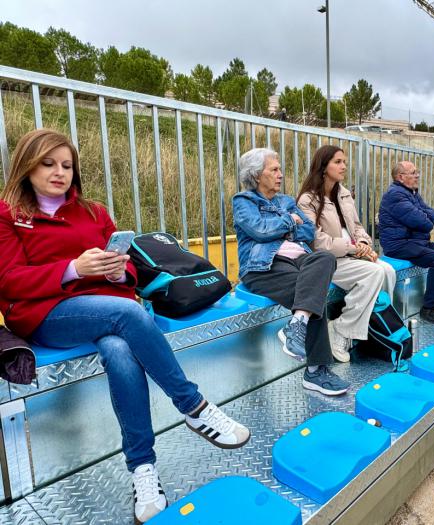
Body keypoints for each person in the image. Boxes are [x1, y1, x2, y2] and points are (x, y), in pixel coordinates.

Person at [0, 129, 251, 524]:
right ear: (26, 165)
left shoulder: (94, 212)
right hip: (47, 314)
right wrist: (72, 269)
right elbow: (9, 279)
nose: (59, 173)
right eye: (48, 163)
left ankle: (142, 470)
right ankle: (193, 405)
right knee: (129, 315)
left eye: (66, 165)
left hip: (106, 308)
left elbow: (132, 268)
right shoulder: (8, 214)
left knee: (118, 348)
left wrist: (119, 272)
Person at [232, 148, 349, 396]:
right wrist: (289, 222)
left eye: (279, 169)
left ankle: (296, 325)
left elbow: (308, 232)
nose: (280, 174)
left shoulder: (285, 201)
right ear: (255, 175)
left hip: (300, 260)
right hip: (264, 266)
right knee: (311, 293)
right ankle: (316, 372)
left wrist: (288, 225)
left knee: (325, 258)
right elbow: (259, 231)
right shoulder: (243, 201)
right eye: (273, 170)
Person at [297, 145, 396, 362]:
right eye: (338, 162)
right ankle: (341, 330)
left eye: (344, 162)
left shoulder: (344, 194)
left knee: (388, 271)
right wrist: (354, 247)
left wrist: (362, 241)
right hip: (328, 261)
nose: (344, 166)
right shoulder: (307, 200)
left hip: (351, 254)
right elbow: (316, 241)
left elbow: (357, 226)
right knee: (373, 273)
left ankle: (375, 327)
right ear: (324, 167)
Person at [378, 161, 434, 325]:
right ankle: (428, 308)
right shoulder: (395, 194)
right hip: (398, 244)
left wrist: (425, 217)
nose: (417, 175)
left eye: (417, 172)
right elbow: (424, 222)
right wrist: (425, 218)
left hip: (416, 241)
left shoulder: (412, 193)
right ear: (401, 177)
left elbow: (433, 214)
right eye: (413, 172)